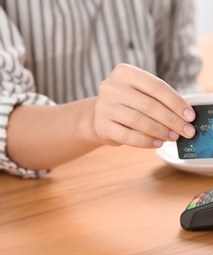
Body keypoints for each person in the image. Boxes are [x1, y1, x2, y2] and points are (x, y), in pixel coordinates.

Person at [0, 0, 202, 178]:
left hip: (151, 175)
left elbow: (180, 74)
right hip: (60, 186)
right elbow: (5, 124)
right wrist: (92, 121)